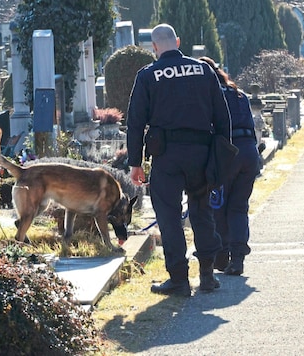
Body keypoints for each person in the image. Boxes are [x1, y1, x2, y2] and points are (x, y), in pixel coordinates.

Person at [127, 24, 231, 296]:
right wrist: (222, 156)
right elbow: (222, 115)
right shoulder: (204, 70)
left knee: (169, 217)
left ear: (155, 47)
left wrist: (135, 162)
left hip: (167, 156)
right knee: (202, 211)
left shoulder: (148, 75)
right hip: (201, 153)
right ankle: (207, 275)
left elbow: (135, 122)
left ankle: (179, 280)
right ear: (178, 40)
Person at [200, 56, 261, 276]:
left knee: (219, 206)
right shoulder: (239, 94)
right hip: (249, 152)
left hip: (228, 154)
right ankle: (237, 259)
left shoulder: (209, 96)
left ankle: (222, 255)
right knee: (239, 207)